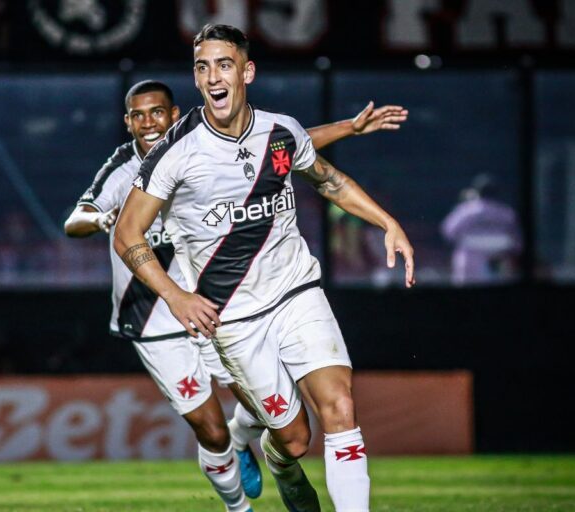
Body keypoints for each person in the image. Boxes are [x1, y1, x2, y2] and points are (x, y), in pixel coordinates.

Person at [114, 24, 415, 512]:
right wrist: (176, 296)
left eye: (224, 64)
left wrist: (387, 222)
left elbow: (328, 179)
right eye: (203, 67)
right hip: (231, 318)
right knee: (294, 439)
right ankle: (278, 463)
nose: (213, 76)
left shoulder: (280, 131)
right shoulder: (175, 151)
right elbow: (127, 233)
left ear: (247, 72)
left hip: (296, 292)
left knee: (340, 407)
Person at [440, 174, 522, 285]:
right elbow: (517, 242)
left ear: (477, 191)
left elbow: (448, 231)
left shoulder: (466, 211)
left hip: (470, 259)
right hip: (499, 259)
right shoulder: (506, 213)